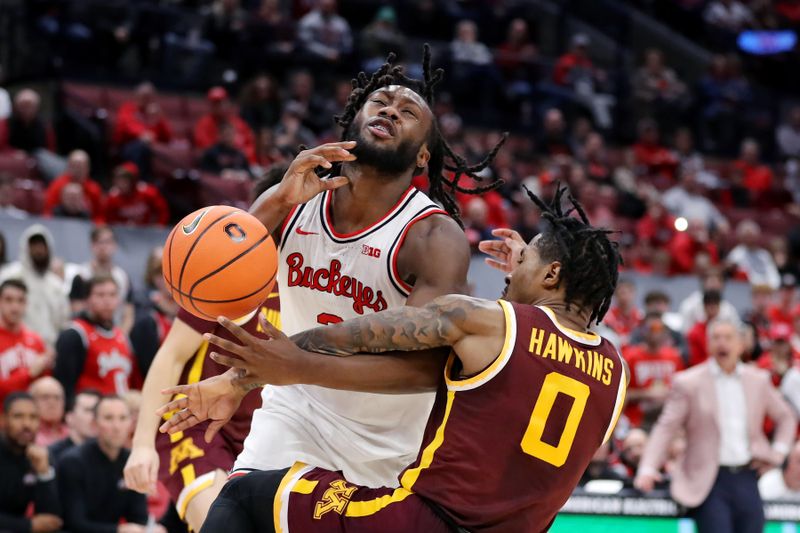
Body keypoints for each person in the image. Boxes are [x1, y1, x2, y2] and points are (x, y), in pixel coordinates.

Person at [126, 47, 504, 530]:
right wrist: (279, 197)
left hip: (384, 449)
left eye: (408, 112)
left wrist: (294, 365)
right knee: (232, 513)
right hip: (291, 415)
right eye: (379, 102)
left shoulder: (433, 236)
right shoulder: (296, 195)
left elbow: (424, 369)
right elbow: (221, 259)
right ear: (353, 123)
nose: (389, 109)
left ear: (423, 155)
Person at [159, 184, 627, 533]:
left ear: (552, 275)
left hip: (419, 522)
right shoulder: (615, 375)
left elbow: (364, 334)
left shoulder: (488, 321)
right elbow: (524, 372)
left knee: (243, 496)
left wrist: (250, 375)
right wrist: (527, 277)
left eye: (524, 263)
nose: (512, 271)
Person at [635, 318, 797, 533]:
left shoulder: (758, 379)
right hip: (708, 479)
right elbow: (666, 428)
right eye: (716, 337)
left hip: (748, 475)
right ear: (708, 344)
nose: (722, 343)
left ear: (741, 344)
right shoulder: (688, 382)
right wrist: (647, 468)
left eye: (728, 337)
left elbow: (787, 417)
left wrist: (778, 453)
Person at [58, 395, 164, 533]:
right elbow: (74, 523)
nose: (116, 426)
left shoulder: (132, 461)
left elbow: (139, 517)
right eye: (108, 418)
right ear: (94, 424)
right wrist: (118, 530)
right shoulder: (73, 462)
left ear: (131, 424)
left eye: (122, 418)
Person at [54, 275, 137, 404]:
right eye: (100, 295)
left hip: (122, 413)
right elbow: (65, 387)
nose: (107, 301)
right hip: (91, 414)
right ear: (87, 300)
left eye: (112, 295)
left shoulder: (122, 336)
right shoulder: (75, 334)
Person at [0, 392, 62, 533]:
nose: (26, 424)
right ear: (3, 420)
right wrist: (27, 525)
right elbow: (36, 525)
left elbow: (51, 519)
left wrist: (44, 473)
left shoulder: (40, 456)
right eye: (18, 416)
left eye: (33, 417)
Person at [0, 225, 70, 346]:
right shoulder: (10, 276)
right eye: (34, 245)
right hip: (13, 349)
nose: (39, 250)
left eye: (42, 245)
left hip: (49, 351)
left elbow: (63, 321)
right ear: (26, 248)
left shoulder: (56, 285)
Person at [65, 226, 134, 333]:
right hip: (89, 334)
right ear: (92, 245)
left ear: (114, 245)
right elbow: (76, 312)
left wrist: (119, 336)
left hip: (115, 334)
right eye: (99, 242)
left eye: (107, 241)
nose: (103, 246)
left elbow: (128, 314)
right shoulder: (81, 276)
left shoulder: (123, 277)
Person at [623, 313, 684, 428]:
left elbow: (682, 390)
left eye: (658, 329)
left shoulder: (674, 356)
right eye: (650, 329)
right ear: (643, 331)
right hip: (637, 420)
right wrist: (647, 393)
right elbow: (620, 394)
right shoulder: (630, 357)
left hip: (668, 419)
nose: (654, 333)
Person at [0, 279, 52, 402]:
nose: (15, 307)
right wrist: (29, 374)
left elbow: (45, 385)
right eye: (8, 300)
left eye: (20, 300)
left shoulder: (36, 340)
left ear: (26, 304)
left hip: (31, 413)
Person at [194, 87, 256, 163]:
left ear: (227, 103)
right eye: (215, 103)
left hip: (240, 163)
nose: (219, 106)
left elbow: (250, 144)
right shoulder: (204, 123)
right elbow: (206, 148)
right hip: (218, 163)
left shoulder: (238, 122)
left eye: (221, 102)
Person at [43, 150, 104, 221]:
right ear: (68, 166)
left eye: (81, 166)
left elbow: (99, 216)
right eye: (75, 166)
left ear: (88, 168)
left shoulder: (94, 189)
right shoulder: (57, 186)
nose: (78, 170)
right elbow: (48, 211)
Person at [104, 162, 170, 226]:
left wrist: (159, 225)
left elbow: (163, 211)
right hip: (124, 232)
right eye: (118, 181)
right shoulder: (113, 196)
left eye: (124, 181)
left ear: (132, 181)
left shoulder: (147, 192)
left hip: (148, 231)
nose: (121, 185)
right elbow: (109, 219)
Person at [725, 220, 781, 289]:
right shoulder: (736, 254)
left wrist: (772, 286)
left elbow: (773, 275)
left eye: (751, 235)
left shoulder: (764, 254)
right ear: (741, 237)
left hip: (767, 290)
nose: (749, 238)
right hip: (746, 291)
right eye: (747, 235)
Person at [49, 389, 101, 462]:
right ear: (70, 417)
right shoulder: (53, 454)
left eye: (97, 411)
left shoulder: (110, 453)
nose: (94, 417)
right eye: (88, 410)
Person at [28, 376, 68, 447]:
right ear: (31, 402)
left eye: (57, 397)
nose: (52, 403)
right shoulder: (26, 435)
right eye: (45, 397)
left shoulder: (72, 434)